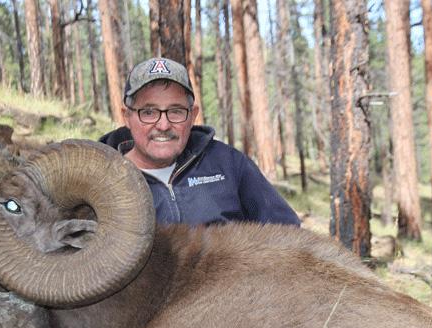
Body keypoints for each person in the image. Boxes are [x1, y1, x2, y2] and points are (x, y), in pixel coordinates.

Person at [99, 57, 300, 227]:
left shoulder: (228, 164)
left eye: (176, 111)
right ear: (127, 116)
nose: (163, 125)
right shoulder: (102, 180)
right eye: (149, 112)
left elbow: (287, 232)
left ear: (193, 115)